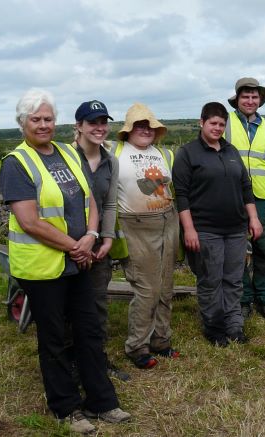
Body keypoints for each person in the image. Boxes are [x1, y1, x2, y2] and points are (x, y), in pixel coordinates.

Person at [0, 89, 130, 434]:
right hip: (44, 268)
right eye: (36, 119)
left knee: (89, 332)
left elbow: (90, 199)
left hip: (79, 260)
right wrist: (77, 245)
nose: (43, 125)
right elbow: (29, 220)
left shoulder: (66, 153)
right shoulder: (16, 163)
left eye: (48, 119)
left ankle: (102, 401)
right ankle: (67, 408)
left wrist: (91, 235)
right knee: (55, 339)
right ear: (22, 123)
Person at [173, 102, 263, 346]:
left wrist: (253, 217)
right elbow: (181, 194)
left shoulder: (231, 151)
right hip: (205, 228)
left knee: (233, 278)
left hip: (235, 228)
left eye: (222, 124)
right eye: (213, 123)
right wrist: (189, 229)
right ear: (201, 122)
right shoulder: (188, 153)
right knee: (211, 280)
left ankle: (234, 324)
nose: (217, 128)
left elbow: (245, 186)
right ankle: (214, 327)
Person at [111, 103, 179, 369]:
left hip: (167, 221)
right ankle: (137, 346)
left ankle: (161, 340)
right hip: (135, 226)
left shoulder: (164, 154)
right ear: (127, 130)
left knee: (165, 286)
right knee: (147, 288)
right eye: (138, 125)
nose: (145, 130)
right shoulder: (114, 153)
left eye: (149, 125)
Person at [72, 100, 130, 381]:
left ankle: (98, 360)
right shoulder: (65, 158)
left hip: (97, 247)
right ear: (79, 127)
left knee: (97, 305)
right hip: (68, 245)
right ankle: (71, 362)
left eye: (103, 122)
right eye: (92, 123)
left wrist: (106, 238)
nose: (99, 128)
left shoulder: (111, 160)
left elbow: (109, 204)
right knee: (67, 307)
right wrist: (75, 243)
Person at [225, 77, 265, 320]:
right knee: (239, 252)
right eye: (245, 96)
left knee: (263, 250)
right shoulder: (225, 123)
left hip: (261, 197)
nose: (250, 100)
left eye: (254, 97)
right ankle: (244, 300)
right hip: (231, 197)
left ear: (260, 100)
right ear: (237, 99)